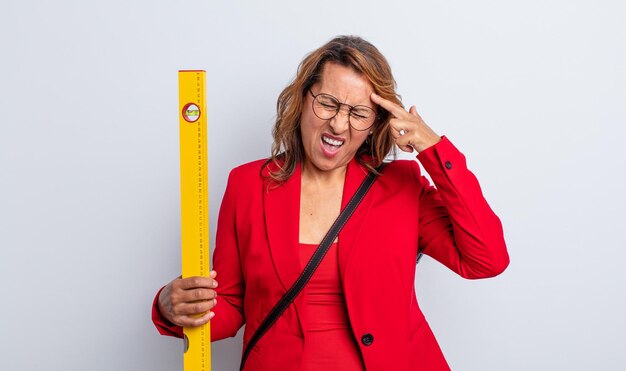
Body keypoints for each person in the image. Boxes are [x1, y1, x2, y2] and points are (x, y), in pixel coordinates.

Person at [152, 35, 509, 370]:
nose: (339, 124)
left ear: (375, 123)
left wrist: (433, 149)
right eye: (328, 103)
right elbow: (230, 306)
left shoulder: (402, 188)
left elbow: (486, 259)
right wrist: (174, 308)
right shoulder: (246, 185)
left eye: (358, 113)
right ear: (304, 98)